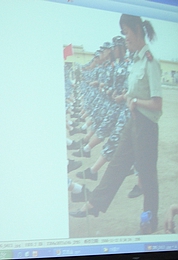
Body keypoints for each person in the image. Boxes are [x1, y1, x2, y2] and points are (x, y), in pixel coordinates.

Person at [70, 14, 162, 234]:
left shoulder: (150, 62)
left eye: (127, 33)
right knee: (117, 164)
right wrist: (127, 98)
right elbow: (132, 92)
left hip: (146, 126)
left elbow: (157, 104)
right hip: (133, 121)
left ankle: (149, 221)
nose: (125, 38)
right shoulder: (136, 61)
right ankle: (94, 204)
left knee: (147, 177)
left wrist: (135, 101)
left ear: (137, 30)